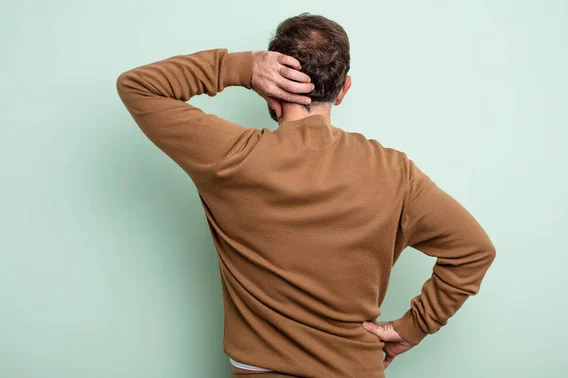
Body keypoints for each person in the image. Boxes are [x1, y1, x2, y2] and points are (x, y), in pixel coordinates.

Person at [116, 12, 496, 378]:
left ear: (269, 86)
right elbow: (474, 250)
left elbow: (137, 86)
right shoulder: (395, 173)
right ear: (344, 89)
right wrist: (412, 327)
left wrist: (244, 67)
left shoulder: (231, 157)